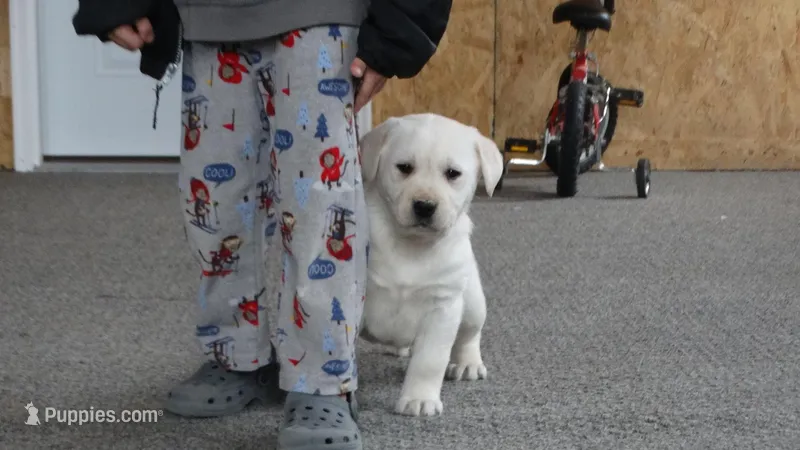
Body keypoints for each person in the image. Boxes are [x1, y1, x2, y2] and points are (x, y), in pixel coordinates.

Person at [72, 1, 453, 449]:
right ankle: (235, 352)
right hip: (206, 19)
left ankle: (323, 376)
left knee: (319, 208)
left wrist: (398, 34)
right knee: (215, 201)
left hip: (320, 18)